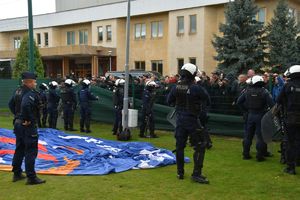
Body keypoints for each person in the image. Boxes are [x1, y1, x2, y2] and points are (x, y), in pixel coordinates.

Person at [167, 63, 210, 184]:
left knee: (179, 147)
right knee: (200, 145)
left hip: (180, 120)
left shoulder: (176, 87)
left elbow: (169, 101)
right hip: (192, 120)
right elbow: (207, 100)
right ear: (193, 74)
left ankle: (180, 172)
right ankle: (196, 174)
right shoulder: (196, 87)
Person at [8, 72, 46, 185]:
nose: (35, 83)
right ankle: (31, 177)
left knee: (19, 148)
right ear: (29, 82)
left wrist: (18, 116)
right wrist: (28, 119)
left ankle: (17, 173)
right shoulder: (30, 93)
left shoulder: (18, 90)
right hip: (27, 126)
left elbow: (11, 104)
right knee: (31, 150)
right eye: (34, 81)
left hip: (18, 124)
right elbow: (25, 105)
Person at [237, 75, 274, 161]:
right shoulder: (264, 91)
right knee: (260, 136)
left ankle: (246, 154)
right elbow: (272, 105)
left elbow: (239, 102)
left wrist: (245, 111)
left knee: (248, 135)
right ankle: (259, 156)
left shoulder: (247, 91)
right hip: (261, 116)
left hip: (250, 115)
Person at [277, 65, 300, 175]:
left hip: (291, 117)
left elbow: (279, 100)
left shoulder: (288, 85)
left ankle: (291, 167)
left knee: (290, 142)